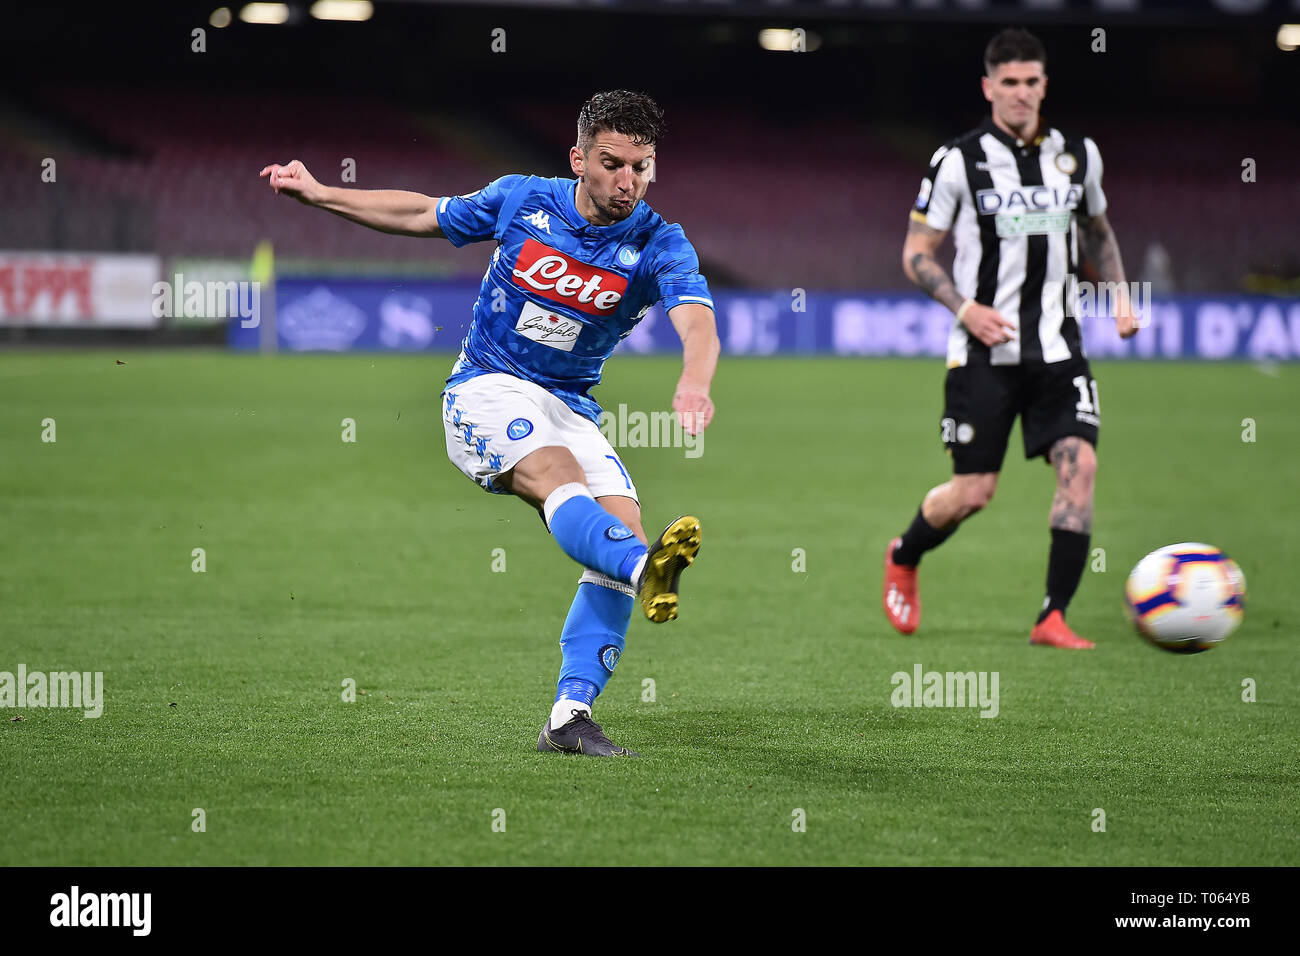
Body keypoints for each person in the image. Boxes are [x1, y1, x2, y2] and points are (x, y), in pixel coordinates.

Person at [261, 90, 719, 753]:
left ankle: (568, 717)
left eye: (642, 168)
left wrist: (694, 379)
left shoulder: (658, 241)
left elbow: (696, 317)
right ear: (579, 158)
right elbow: (423, 212)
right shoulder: (523, 199)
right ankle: (646, 567)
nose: (629, 182)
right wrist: (321, 193)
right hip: (487, 387)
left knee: (618, 535)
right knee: (571, 493)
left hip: (570, 405)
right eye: (614, 163)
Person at [883, 28, 1139, 649]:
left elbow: (1097, 229)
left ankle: (1053, 616)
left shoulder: (1078, 154)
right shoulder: (957, 160)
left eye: (1032, 82)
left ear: (1043, 85)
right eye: (1010, 83)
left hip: (1059, 348)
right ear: (988, 87)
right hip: (982, 353)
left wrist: (1121, 292)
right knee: (973, 493)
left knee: (1080, 466)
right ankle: (905, 554)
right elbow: (917, 254)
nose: (1022, 93)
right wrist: (965, 308)